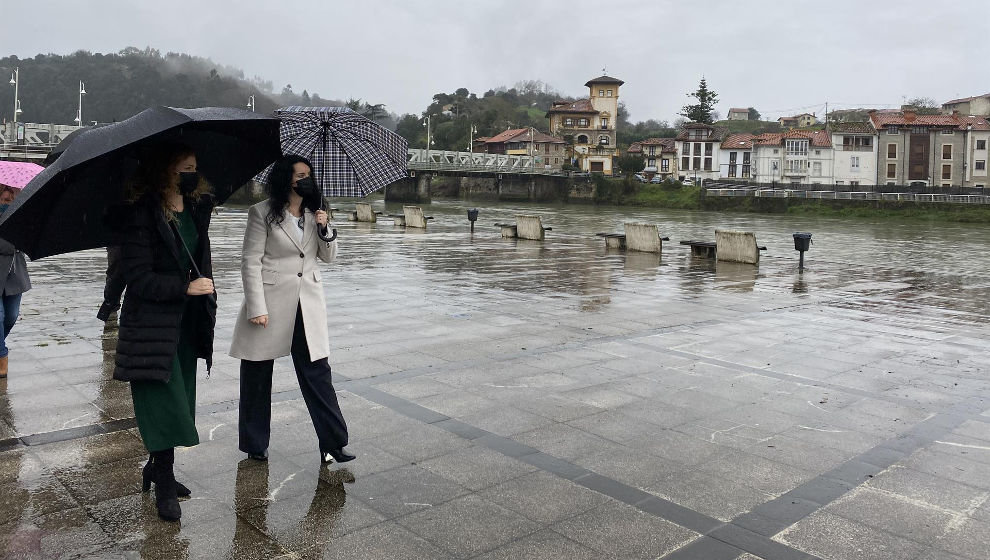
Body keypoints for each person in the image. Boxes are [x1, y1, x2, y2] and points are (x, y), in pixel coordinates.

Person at [112, 144, 217, 522]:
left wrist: (204, 291)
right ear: (165, 169)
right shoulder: (140, 214)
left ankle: (156, 468)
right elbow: (137, 279)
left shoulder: (197, 208)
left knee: (181, 398)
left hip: (187, 323)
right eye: (185, 166)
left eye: (195, 167)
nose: (192, 172)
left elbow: (199, 257)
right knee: (163, 402)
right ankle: (165, 482)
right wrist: (183, 287)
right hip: (151, 326)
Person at [230, 154, 354, 466]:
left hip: (307, 303)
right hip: (270, 302)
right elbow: (250, 261)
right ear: (286, 179)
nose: (304, 179)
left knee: (318, 373)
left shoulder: (317, 212)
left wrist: (326, 229)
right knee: (257, 374)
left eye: (308, 175)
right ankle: (254, 444)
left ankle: (333, 443)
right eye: (299, 175)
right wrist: (255, 306)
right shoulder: (261, 214)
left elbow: (329, 257)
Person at [0, 186, 30, 378]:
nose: (7, 197)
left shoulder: (23, 213)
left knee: (11, 315)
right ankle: (1, 356)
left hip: (14, 271)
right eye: (4, 193)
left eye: (11, 193)